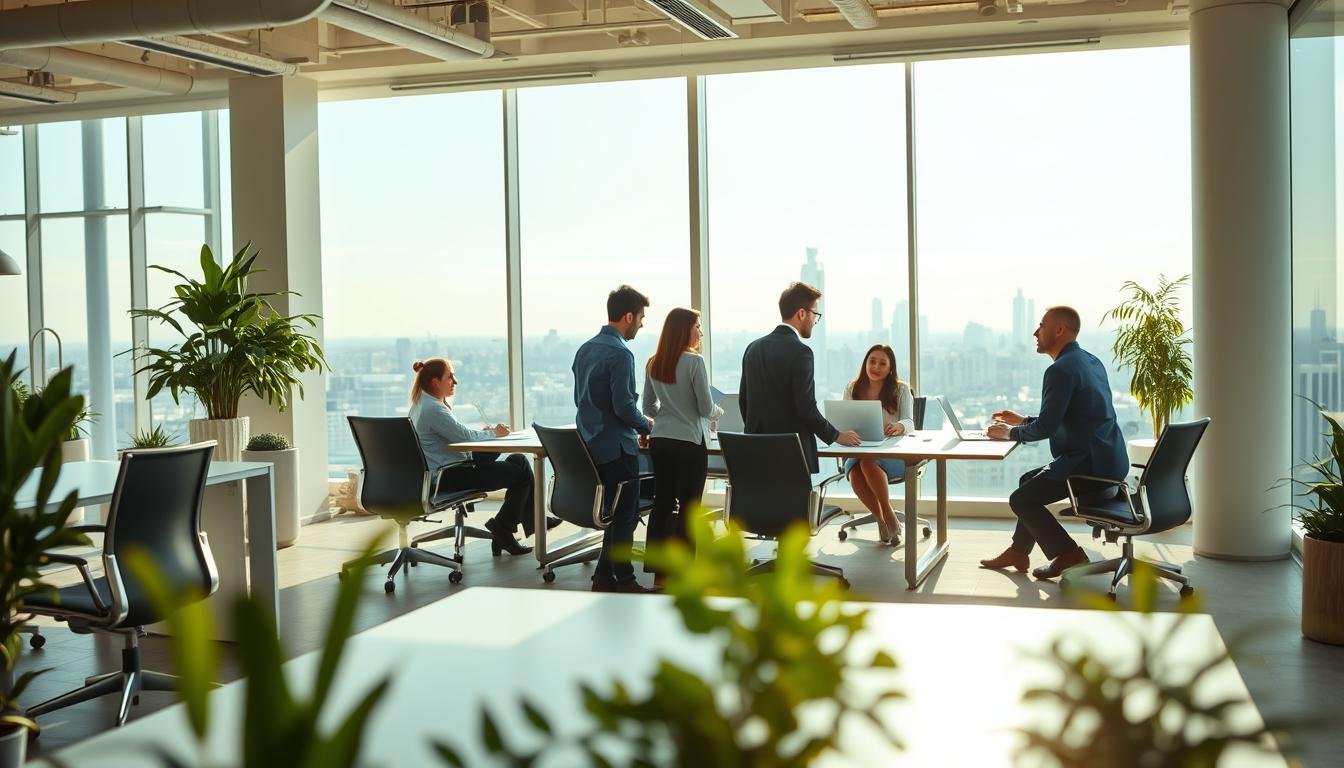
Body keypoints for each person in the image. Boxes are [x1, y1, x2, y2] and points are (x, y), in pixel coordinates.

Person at [979, 306, 1129, 579]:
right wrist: (1023, 420)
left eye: (1041, 325)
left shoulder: (1060, 370)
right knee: (1028, 481)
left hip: (1089, 466)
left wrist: (1009, 433)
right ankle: (1018, 551)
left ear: (1059, 330)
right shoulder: (1090, 361)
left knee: (1021, 500)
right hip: (1110, 461)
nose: (1036, 332)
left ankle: (1069, 554)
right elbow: (1071, 416)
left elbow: (1047, 427)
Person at [408, 357, 549, 557]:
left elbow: (456, 433)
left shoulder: (422, 404)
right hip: (451, 476)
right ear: (435, 382)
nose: (455, 382)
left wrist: (488, 433)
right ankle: (503, 528)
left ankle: (527, 522)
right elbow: (464, 437)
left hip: (446, 469)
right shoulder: (433, 409)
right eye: (450, 377)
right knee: (521, 475)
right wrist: (494, 433)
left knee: (518, 460)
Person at [573, 285, 656, 594]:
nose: (642, 324)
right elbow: (623, 406)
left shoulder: (585, 349)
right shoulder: (621, 353)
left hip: (590, 446)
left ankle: (603, 577)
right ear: (628, 316)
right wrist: (647, 424)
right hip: (617, 447)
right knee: (626, 514)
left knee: (617, 511)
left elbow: (578, 399)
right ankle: (624, 579)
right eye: (641, 318)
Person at [740, 282, 861, 476]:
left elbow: (744, 402)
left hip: (755, 451)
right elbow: (806, 408)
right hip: (791, 455)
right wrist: (836, 435)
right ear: (802, 313)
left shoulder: (753, 348)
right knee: (794, 507)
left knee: (761, 505)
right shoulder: (801, 352)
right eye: (815, 315)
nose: (815, 321)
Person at [641, 307, 723, 585]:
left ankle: (659, 574)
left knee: (662, 503)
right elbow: (704, 406)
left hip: (661, 440)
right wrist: (718, 413)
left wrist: (666, 416)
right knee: (689, 507)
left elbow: (647, 406)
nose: (700, 332)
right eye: (697, 326)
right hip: (689, 442)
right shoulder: (694, 362)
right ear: (684, 330)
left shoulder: (654, 362)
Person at [843, 344, 914, 546]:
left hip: (892, 452)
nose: (875, 366)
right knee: (857, 469)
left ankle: (888, 515)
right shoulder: (852, 388)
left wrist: (899, 426)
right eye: (872, 361)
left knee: (866, 464)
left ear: (890, 367)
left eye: (882, 363)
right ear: (865, 363)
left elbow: (910, 422)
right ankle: (883, 519)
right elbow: (844, 420)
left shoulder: (901, 389)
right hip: (859, 449)